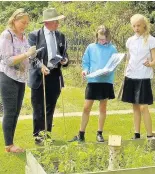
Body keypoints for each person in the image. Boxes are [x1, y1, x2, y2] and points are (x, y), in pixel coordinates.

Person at [69, 25, 117, 142]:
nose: (102, 41)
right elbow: (86, 62)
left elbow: (114, 65)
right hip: (93, 81)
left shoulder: (112, 49)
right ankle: (81, 134)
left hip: (106, 81)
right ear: (96, 37)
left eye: (104, 39)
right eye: (100, 39)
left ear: (108, 37)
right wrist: (85, 70)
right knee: (86, 108)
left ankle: (99, 134)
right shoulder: (91, 47)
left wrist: (109, 71)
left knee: (103, 108)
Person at [28, 8, 69, 145]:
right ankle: (38, 136)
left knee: (50, 107)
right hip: (39, 76)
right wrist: (41, 66)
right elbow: (31, 57)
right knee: (38, 107)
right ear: (47, 22)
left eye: (57, 21)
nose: (58, 23)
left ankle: (47, 133)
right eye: (55, 21)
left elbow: (64, 54)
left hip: (54, 75)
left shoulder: (61, 36)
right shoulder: (34, 36)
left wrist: (65, 60)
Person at [0, 8, 37, 153]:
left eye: (27, 23)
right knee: (9, 112)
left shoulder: (23, 36)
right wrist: (26, 54)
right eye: (23, 22)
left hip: (21, 78)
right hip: (8, 77)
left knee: (16, 111)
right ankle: (8, 145)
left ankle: (11, 143)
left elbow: (30, 54)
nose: (25, 25)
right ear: (14, 20)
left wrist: (40, 65)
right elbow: (8, 61)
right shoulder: (6, 35)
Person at [121, 14, 155, 139]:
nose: (136, 28)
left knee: (143, 107)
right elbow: (128, 59)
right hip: (131, 76)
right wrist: (125, 73)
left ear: (144, 25)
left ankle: (150, 135)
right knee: (135, 106)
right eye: (134, 26)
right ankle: (136, 134)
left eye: (138, 25)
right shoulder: (130, 40)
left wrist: (150, 63)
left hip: (143, 76)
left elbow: (154, 60)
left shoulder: (151, 39)